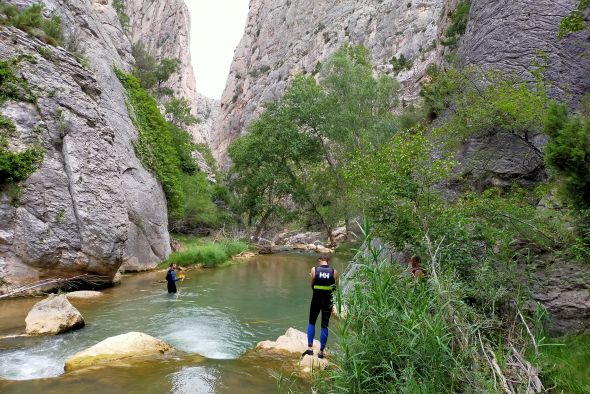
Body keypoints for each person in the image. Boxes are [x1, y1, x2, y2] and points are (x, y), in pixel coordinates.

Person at [302, 255, 339, 359]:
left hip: (316, 300)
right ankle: (321, 352)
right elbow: (336, 288)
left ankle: (309, 349)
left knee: (312, 322)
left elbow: (312, 286)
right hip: (328, 302)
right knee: (324, 325)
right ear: (328, 260)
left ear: (320, 260)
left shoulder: (314, 269)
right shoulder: (334, 272)